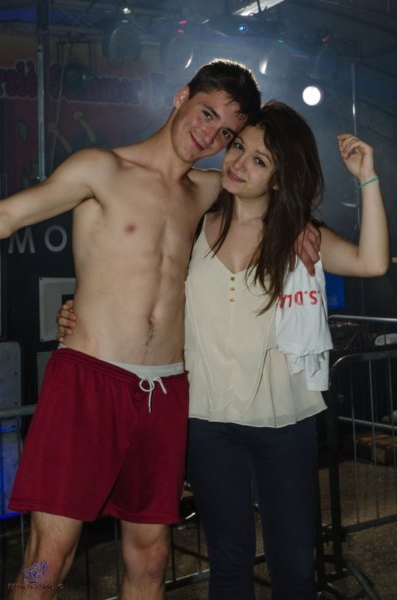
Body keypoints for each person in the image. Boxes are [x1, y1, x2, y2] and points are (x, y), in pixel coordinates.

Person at [58, 101, 389, 600]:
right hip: (207, 421)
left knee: (294, 564)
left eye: (259, 160)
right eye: (238, 147)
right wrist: (76, 310)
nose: (238, 162)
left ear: (279, 177)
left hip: (284, 420)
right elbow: (136, 286)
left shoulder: (300, 236)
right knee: (229, 562)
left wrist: (367, 178)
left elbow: (372, 262)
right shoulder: (193, 222)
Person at [0, 59, 264, 600]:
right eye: (206, 113)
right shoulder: (101, 168)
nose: (209, 135)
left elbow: (276, 188)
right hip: (89, 382)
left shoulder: (208, 189)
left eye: (225, 132)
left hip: (163, 392)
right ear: (181, 96)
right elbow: (7, 217)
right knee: (48, 559)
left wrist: (307, 229)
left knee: (151, 555)